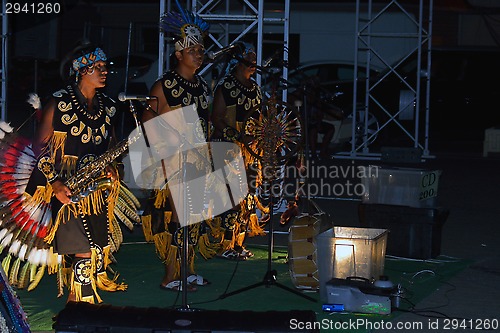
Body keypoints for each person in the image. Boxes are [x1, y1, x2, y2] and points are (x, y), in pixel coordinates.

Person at [4, 41, 137, 304]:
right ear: (80, 70)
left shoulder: (108, 106)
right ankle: (81, 310)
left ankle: (78, 308)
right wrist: (54, 183)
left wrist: (111, 169)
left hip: (95, 191)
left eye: (104, 67)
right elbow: (40, 149)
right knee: (83, 250)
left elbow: (109, 147)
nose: (104, 71)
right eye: (96, 67)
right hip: (65, 186)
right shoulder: (60, 102)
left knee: (93, 250)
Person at [140, 3, 211, 292]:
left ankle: (187, 269)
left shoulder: (203, 85)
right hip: (174, 163)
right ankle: (170, 275)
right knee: (180, 217)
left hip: (199, 160)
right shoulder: (164, 85)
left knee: (194, 217)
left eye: (201, 49)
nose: (199, 54)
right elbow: (146, 122)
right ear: (178, 53)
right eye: (193, 50)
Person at [209, 42, 267, 260]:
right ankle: (225, 245)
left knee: (248, 198)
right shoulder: (226, 87)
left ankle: (239, 244)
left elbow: (260, 118)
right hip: (228, 149)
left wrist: (262, 137)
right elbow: (216, 118)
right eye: (249, 61)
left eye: (254, 61)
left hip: (251, 152)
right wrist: (238, 137)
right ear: (238, 62)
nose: (253, 64)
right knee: (231, 199)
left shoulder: (256, 89)